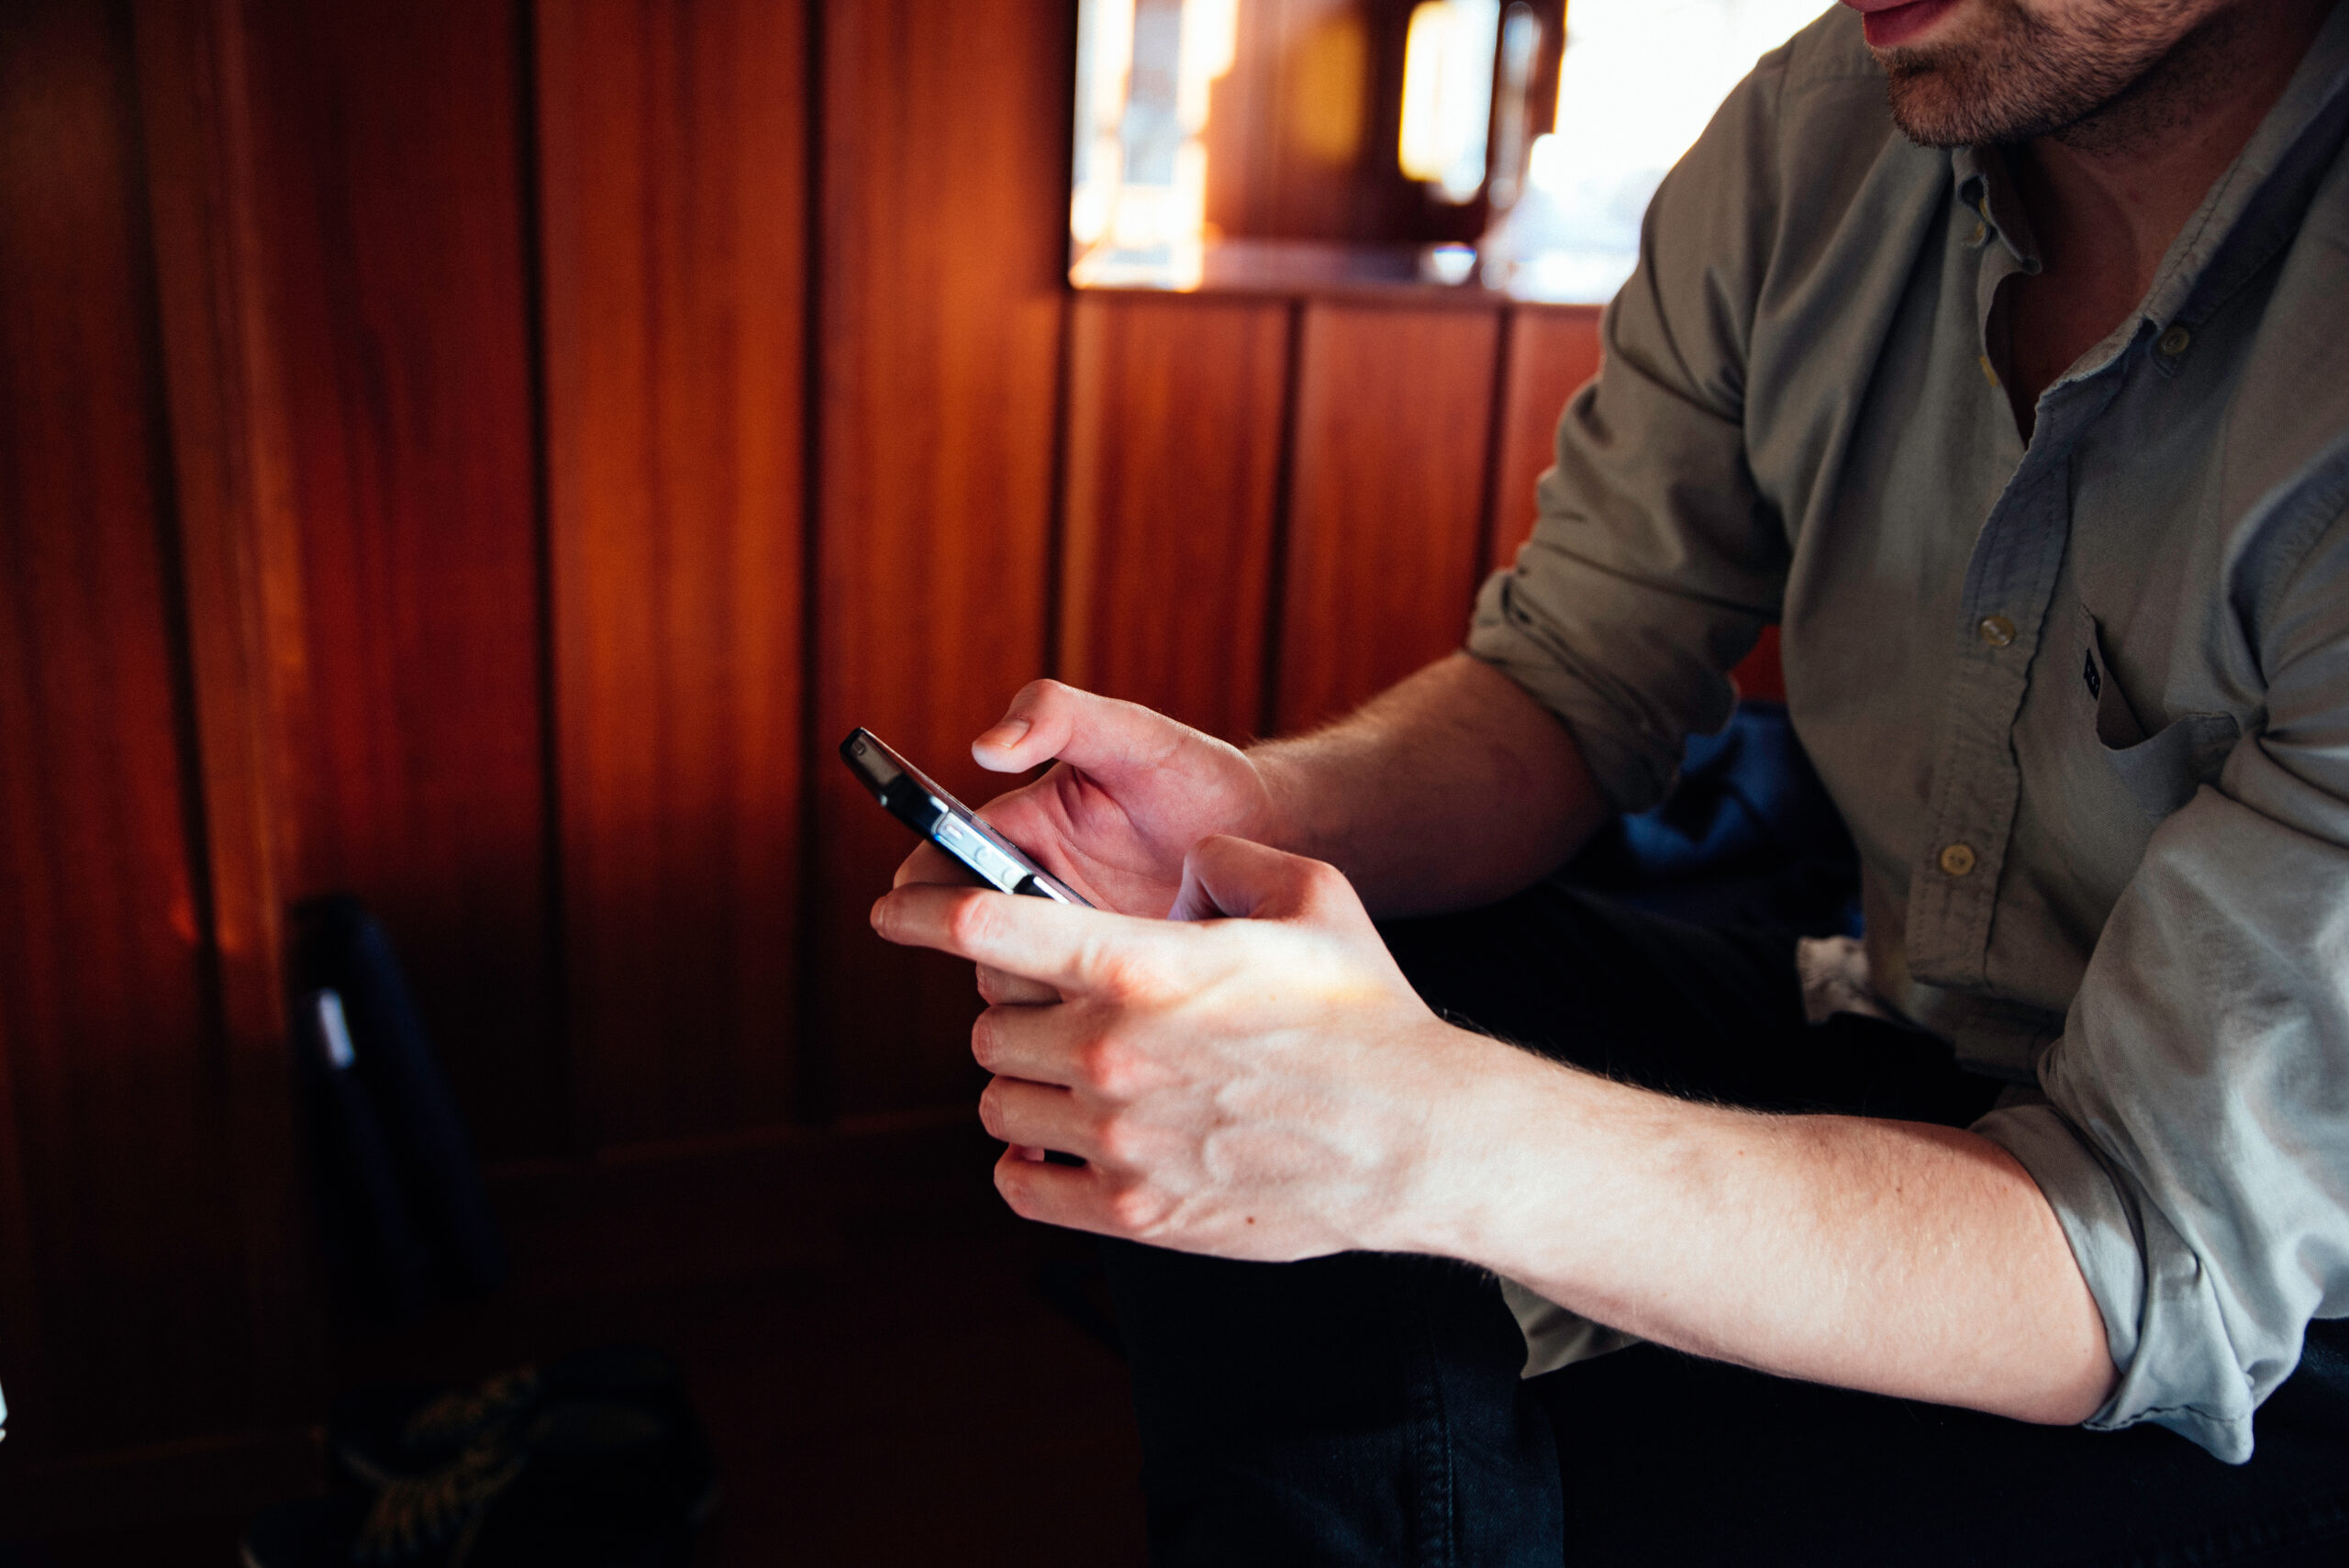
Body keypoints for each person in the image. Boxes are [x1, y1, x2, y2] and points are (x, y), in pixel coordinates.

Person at [874, 0, 2349, 1559]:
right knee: (1227, 959)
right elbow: (1570, 683)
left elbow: (2148, 1256)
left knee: (1590, 1489)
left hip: (2260, 1300)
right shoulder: (1818, 139)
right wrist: (1253, 816)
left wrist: (1432, 1135)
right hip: (1910, 1029)